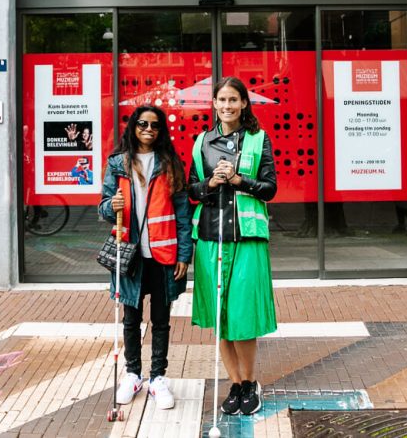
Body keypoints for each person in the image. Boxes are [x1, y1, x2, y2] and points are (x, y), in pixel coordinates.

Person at [188, 76, 278, 416]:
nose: (227, 106)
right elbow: (191, 191)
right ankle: (236, 384)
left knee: (242, 314)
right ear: (213, 104)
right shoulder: (202, 142)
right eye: (221, 100)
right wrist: (210, 183)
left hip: (247, 237)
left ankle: (251, 382)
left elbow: (270, 189)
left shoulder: (258, 139)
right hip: (211, 237)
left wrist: (240, 180)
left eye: (233, 100)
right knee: (221, 314)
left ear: (243, 104)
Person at [100, 105, 192, 411]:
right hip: (130, 254)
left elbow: (182, 211)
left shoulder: (170, 164)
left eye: (154, 125)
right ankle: (133, 374)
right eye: (142, 124)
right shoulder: (117, 163)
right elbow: (102, 208)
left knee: (162, 320)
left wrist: (184, 253)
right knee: (131, 318)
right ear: (133, 127)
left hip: (163, 254)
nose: (148, 129)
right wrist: (109, 205)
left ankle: (158, 378)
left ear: (161, 129)